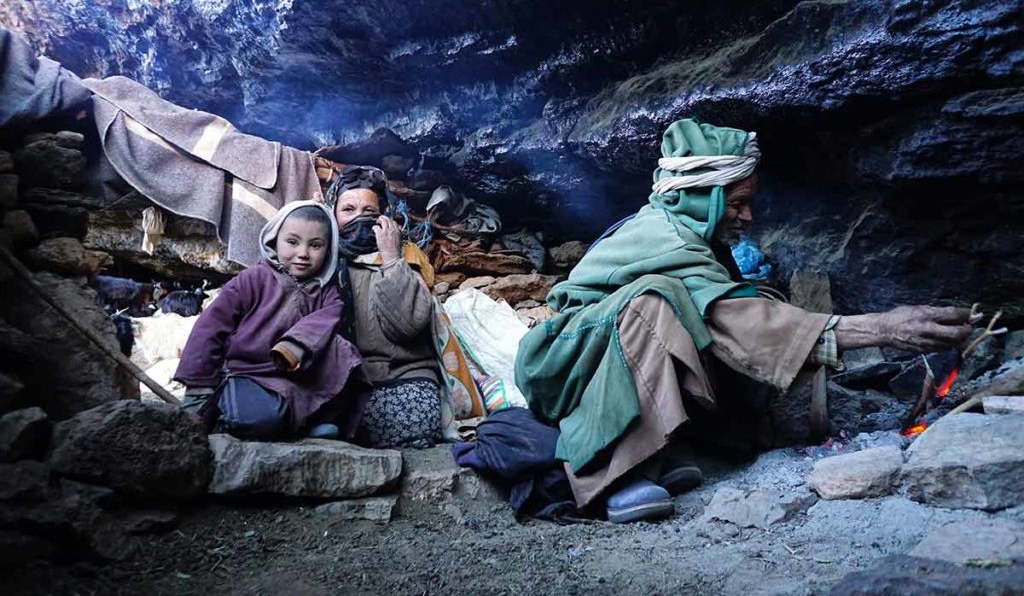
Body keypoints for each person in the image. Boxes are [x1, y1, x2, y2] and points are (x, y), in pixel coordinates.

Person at [514, 118, 973, 524]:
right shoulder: (666, 238)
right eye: (737, 203)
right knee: (657, 302)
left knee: (728, 305)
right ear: (702, 197)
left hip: (604, 355)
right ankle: (612, 476)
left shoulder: (696, 239)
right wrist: (883, 329)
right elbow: (738, 319)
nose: (748, 216)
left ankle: (663, 447)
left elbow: (741, 310)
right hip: (565, 366)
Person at [174, 201, 368, 440]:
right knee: (265, 419)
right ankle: (232, 416)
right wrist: (198, 384)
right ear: (274, 239)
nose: (303, 253)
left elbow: (325, 320)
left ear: (329, 250)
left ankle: (305, 423)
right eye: (292, 242)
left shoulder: (327, 292)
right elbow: (210, 327)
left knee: (344, 352)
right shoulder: (252, 279)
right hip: (248, 374)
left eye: (315, 245)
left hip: (296, 380)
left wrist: (294, 345)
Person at [325, 165, 443, 449]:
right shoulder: (324, 260)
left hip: (404, 376)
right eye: (348, 210)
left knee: (410, 421)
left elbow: (407, 326)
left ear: (383, 217)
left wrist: (390, 257)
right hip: (346, 380)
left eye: (369, 211)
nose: (359, 218)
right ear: (332, 216)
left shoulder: (405, 255)